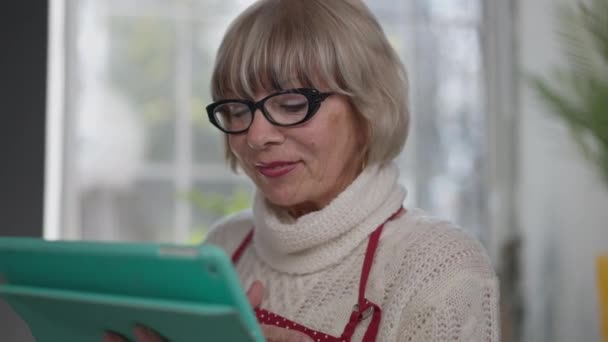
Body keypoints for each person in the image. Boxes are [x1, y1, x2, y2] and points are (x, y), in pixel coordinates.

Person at [105, 0, 499, 341]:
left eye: (292, 105)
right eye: (238, 110)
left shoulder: (440, 269)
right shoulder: (222, 248)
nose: (256, 136)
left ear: (367, 109)